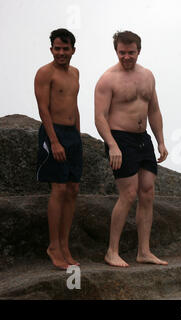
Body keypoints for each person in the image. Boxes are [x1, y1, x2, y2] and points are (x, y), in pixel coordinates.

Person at [94, 31, 168, 267]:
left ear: (139, 51)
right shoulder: (108, 79)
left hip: (142, 138)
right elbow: (99, 117)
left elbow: (154, 109)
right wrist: (112, 145)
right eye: (122, 52)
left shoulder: (147, 76)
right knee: (128, 193)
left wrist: (161, 140)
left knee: (147, 192)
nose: (127, 57)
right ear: (116, 51)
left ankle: (144, 251)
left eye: (131, 52)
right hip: (120, 138)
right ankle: (111, 251)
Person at [35, 28, 82, 270]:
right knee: (59, 188)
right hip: (54, 133)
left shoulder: (75, 72)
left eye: (65, 49)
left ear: (73, 50)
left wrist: (78, 136)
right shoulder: (45, 73)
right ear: (51, 49)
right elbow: (43, 109)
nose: (61, 53)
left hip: (72, 135)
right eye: (57, 48)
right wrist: (53, 141)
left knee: (73, 189)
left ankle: (64, 245)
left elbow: (74, 106)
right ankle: (53, 246)